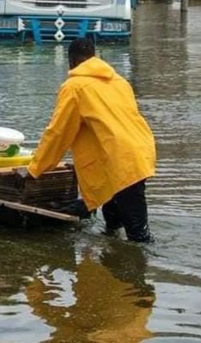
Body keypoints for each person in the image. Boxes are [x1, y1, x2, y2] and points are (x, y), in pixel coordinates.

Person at [27, 38, 156, 243]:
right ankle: (111, 261)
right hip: (140, 151)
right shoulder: (119, 82)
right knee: (112, 223)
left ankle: (140, 267)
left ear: (71, 62)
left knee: (139, 238)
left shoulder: (75, 86)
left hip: (120, 160)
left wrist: (35, 168)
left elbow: (58, 133)